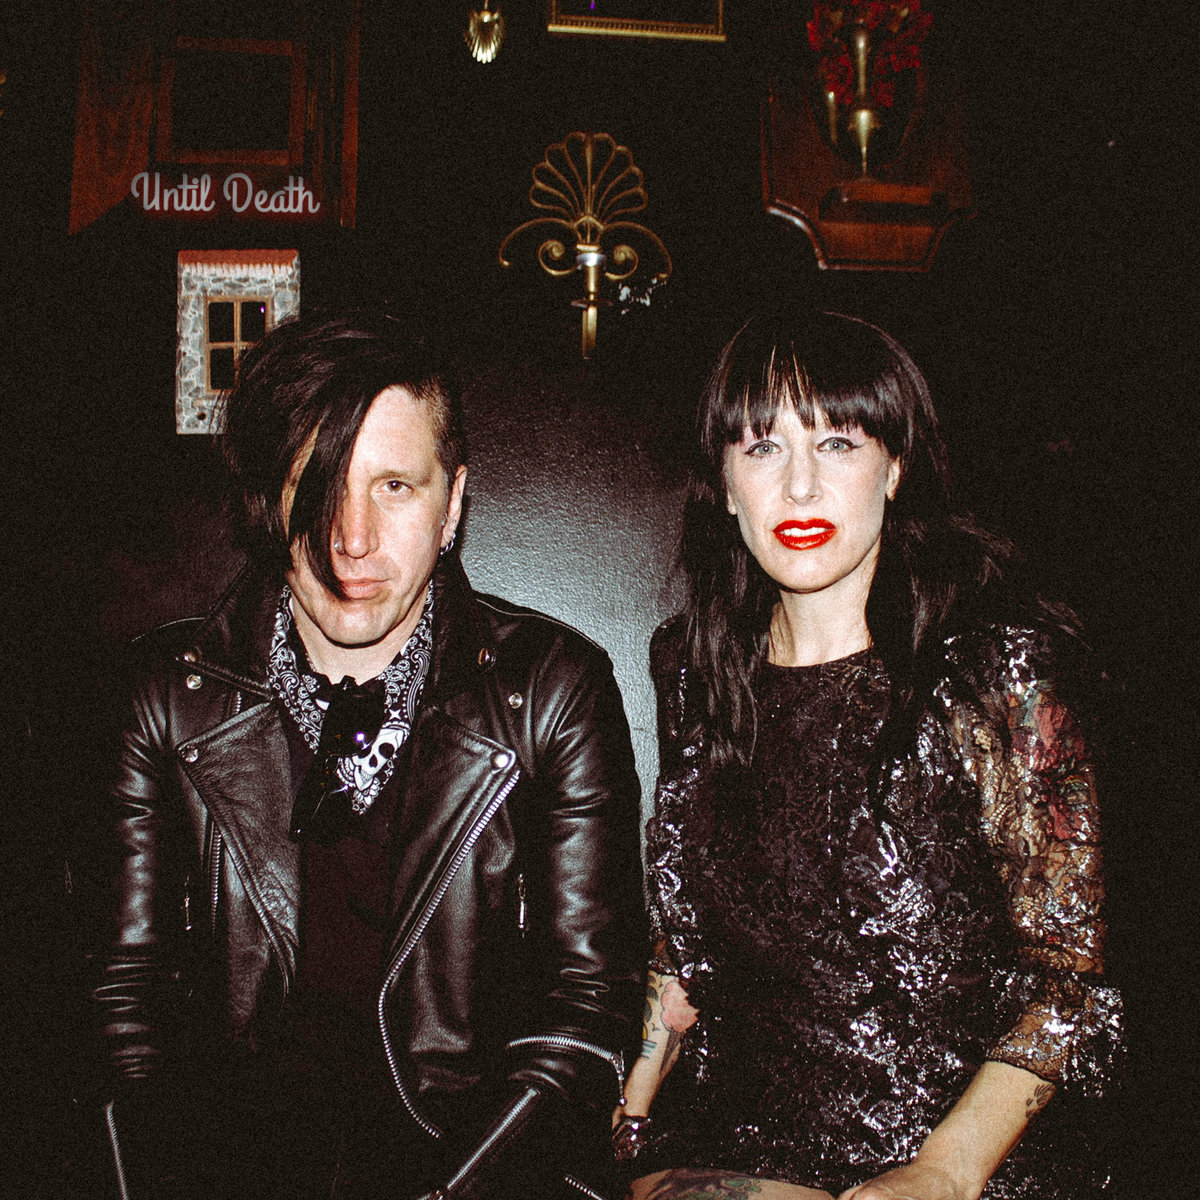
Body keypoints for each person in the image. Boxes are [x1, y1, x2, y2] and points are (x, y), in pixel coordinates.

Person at [89, 309, 645, 1200]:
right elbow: (123, 1001)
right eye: (316, 484)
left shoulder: (550, 689)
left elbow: (585, 1013)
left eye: (394, 486)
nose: (351, 537)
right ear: (269, 500)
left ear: (452, 505)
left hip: (473, 1171)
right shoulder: (166, 694)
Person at [611, 310, 1123, 1200]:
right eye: (763, 447)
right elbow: (686, 936)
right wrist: (629, 1110)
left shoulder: (994, 673)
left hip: (963, 1157)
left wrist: (943, 1172)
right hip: (733, 1138)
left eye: (839, 443)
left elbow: (1069, 984)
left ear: (895, 467)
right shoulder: (694, 668)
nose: (800, 485)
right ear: (724, 483)